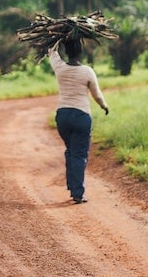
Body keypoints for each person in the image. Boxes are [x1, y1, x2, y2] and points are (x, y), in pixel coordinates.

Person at [48, 38, 109, 204]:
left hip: (63, 117)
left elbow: (51, 53)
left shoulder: (60, 68)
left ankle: (72, 186)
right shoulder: (87, 71)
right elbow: (96, 94)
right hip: (81, 117)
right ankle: (77, 192)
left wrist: (57, 38)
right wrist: (104, 106)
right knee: (79, 154)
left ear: (66, 51)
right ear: (80, 51)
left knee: (71, 151)